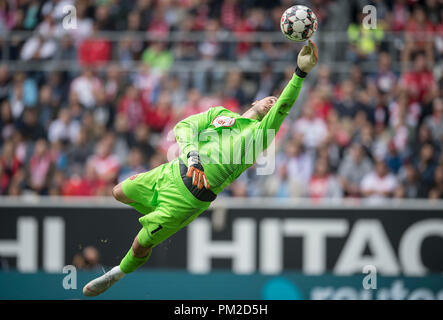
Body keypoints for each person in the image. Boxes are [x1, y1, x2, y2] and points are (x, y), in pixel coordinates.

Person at [82, 40, 318, 297]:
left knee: (140, 246)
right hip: (172, 170)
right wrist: (192, 155)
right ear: (256, 100)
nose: (272, 103)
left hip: (188, 198)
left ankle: (117, 273)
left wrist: (300, 73)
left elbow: (284, 106)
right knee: (118, 192)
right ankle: (154, 215)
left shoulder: (259, 136)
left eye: (275, 102)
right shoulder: (219, 114)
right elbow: (183, 127)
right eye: (270, 99)